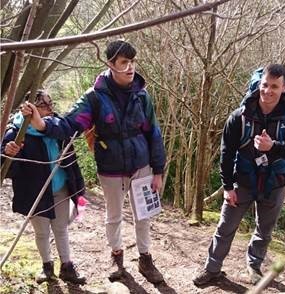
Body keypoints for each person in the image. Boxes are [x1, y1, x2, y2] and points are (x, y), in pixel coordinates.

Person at [21, 40, 166, 284]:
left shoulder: (142, 95)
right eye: (124, 63)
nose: (130, 68)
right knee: (114, 215)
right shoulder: (95, 98)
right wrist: (42, 124)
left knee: (144, 215)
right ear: (111, 64)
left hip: (141, 164)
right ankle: (118, 261)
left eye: (132, 62)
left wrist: (158, 171)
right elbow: (70, 125)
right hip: (110, 167)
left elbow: (153, 132)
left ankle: (145, 259)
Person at [193, 64, 285, 286]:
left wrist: (275, 147)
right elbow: (226, 152)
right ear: (259, 84)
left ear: (284, 87)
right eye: (265, 85)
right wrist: (228, 187)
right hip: (242, 181)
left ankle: (254, 266)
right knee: (225, 227)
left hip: (275, 184)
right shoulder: (239, 116)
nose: (268, 91)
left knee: (264, 231)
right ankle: (212, 269)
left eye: (274, 86)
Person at [1, 90, 86, 285]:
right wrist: (8, 153)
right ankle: (47, 267)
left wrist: (78, 187)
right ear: (30, 109)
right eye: (44, 105)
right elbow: (6, 168)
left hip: (61, 188)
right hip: (35, 192)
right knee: (42, 233)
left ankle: (67, 267)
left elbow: (71, 152)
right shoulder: (16, 132)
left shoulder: (57, 127)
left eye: (51, 103)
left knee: (61, 228)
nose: (50, 108)